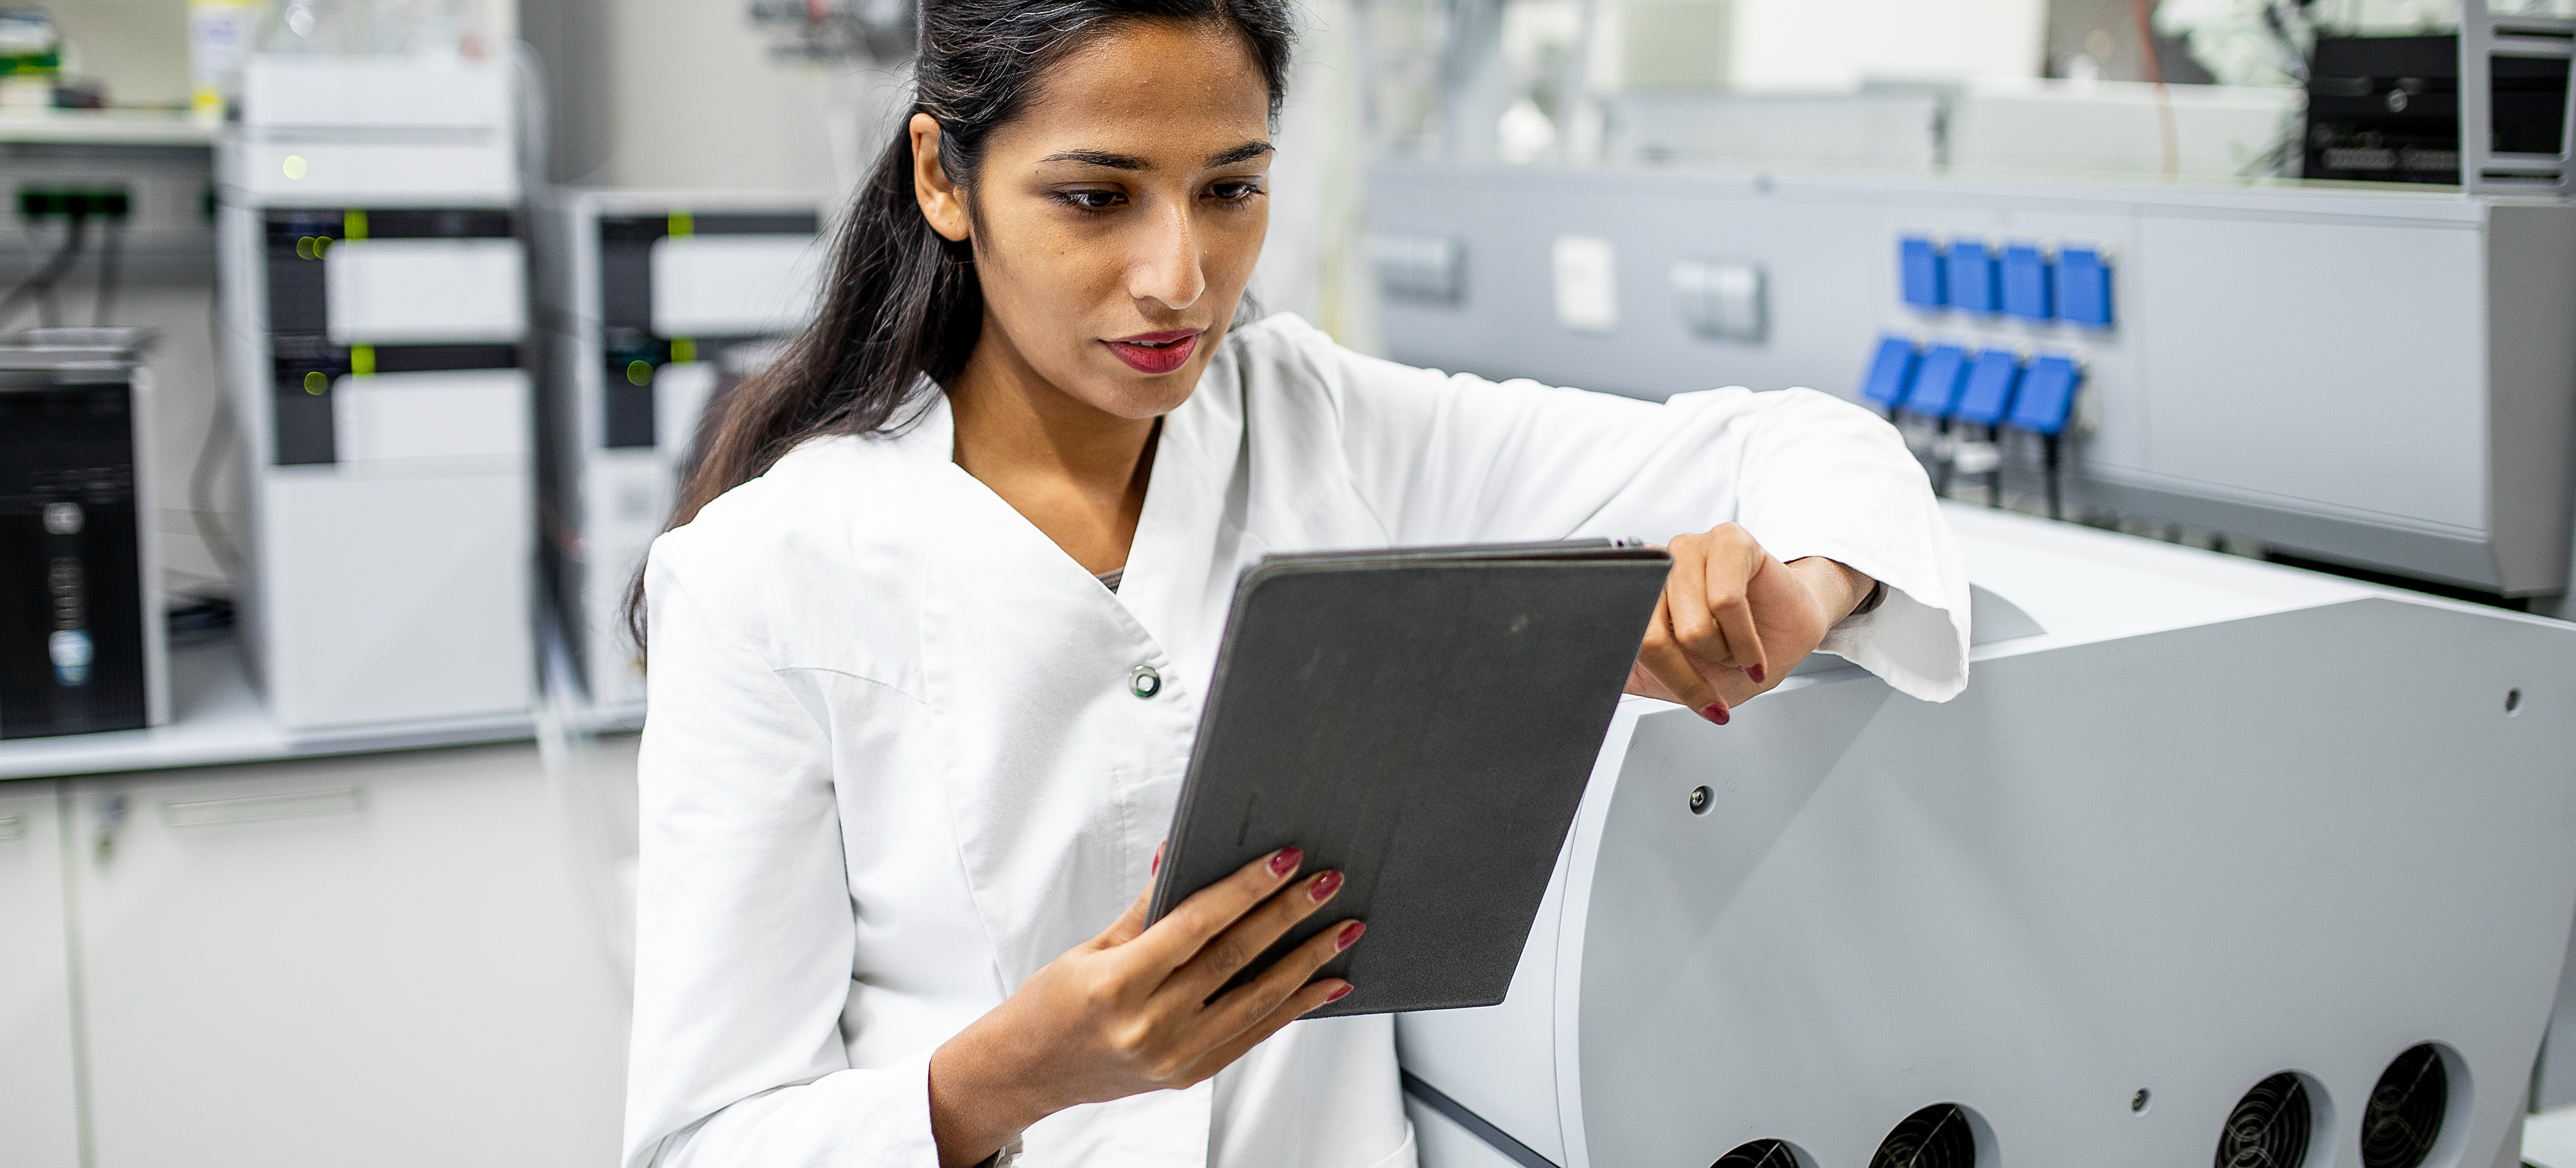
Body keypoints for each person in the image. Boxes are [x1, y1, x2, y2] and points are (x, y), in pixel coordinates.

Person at [620, 2, 1970, 1166]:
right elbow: (706, 1136)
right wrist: (1008, 1075)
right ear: (943, 176)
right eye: (1096, 197)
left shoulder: (1329, 425)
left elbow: (1804, 443)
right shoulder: (760, 580)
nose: (1180, 278)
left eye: (1230, 188)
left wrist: (1786, 593)